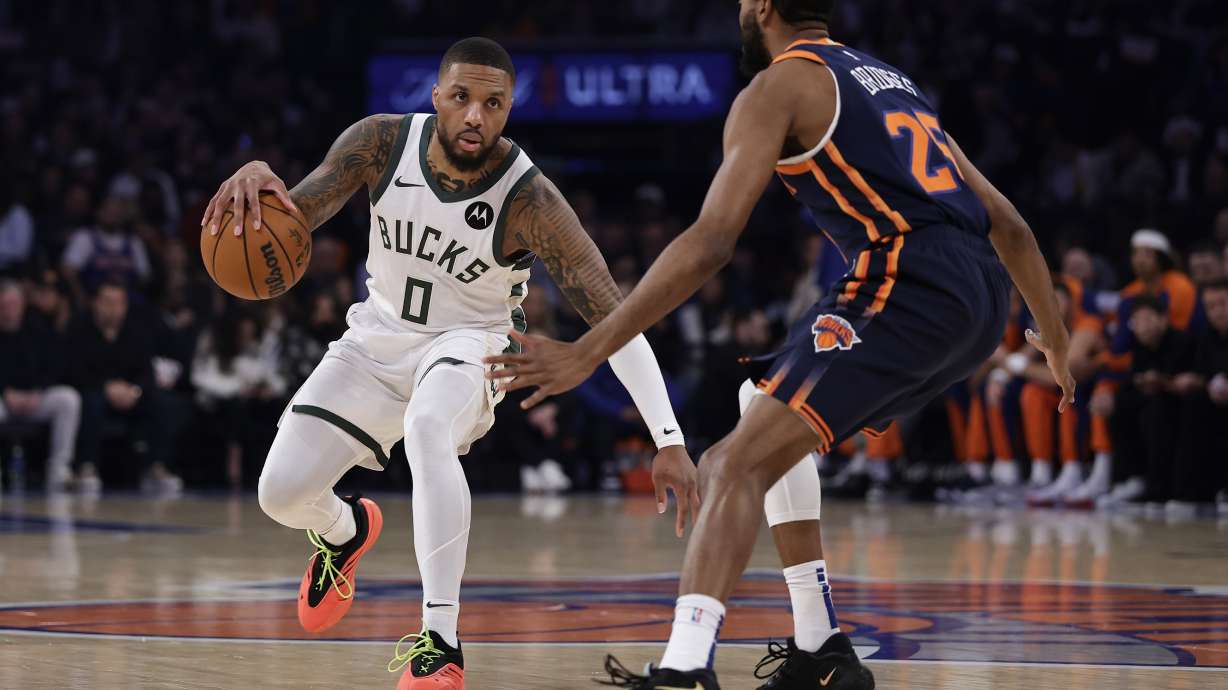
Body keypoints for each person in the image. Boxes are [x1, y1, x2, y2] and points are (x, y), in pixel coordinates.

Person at [487, 2, 1074, 688]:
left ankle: (684, 669)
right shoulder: (891, 80)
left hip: (907, 278)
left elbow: (711, 242)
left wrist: (590, 349)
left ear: (763, 6)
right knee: (756, 401)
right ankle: (822, 647)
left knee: (730, 465)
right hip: (979, 294)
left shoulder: (777, 86)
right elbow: (1009, 225)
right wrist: (1054, 340)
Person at [199, 37, 697, 690]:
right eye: (461, 98)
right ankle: (346, 532)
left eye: (492, 104)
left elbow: (616, 318)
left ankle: (441, 640)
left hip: (472, 345)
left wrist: (668, 437)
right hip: (375, 342)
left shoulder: (531, 200)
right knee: (279, 493)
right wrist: (259, 175)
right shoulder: (379, 143)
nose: (474, 117)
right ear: (436, 96)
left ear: (510, 109)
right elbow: (298, 215)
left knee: (430, 427)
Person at [69, 282, 184, 494]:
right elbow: (73, 371)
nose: (113, 308)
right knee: (90, 402)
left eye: (118, 303)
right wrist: (106, 387)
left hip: (131, 395)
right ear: (96, 303)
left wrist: (135, 390)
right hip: (96, 393)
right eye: (107, 302)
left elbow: (146, 373)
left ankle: (157, 467)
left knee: (163, 403)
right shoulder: (79, 329)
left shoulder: (136, 331)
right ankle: (86, 467)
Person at [0, 280, 81, 490]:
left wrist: (39, 391)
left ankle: (59, 469)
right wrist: (6, 393)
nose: (9, 310)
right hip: (4, 401)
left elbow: (54, 366)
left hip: (35, 399)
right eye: (4, 305)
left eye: (13, 304)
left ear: (22, 305)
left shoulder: (37, 330)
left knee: (67, 399)